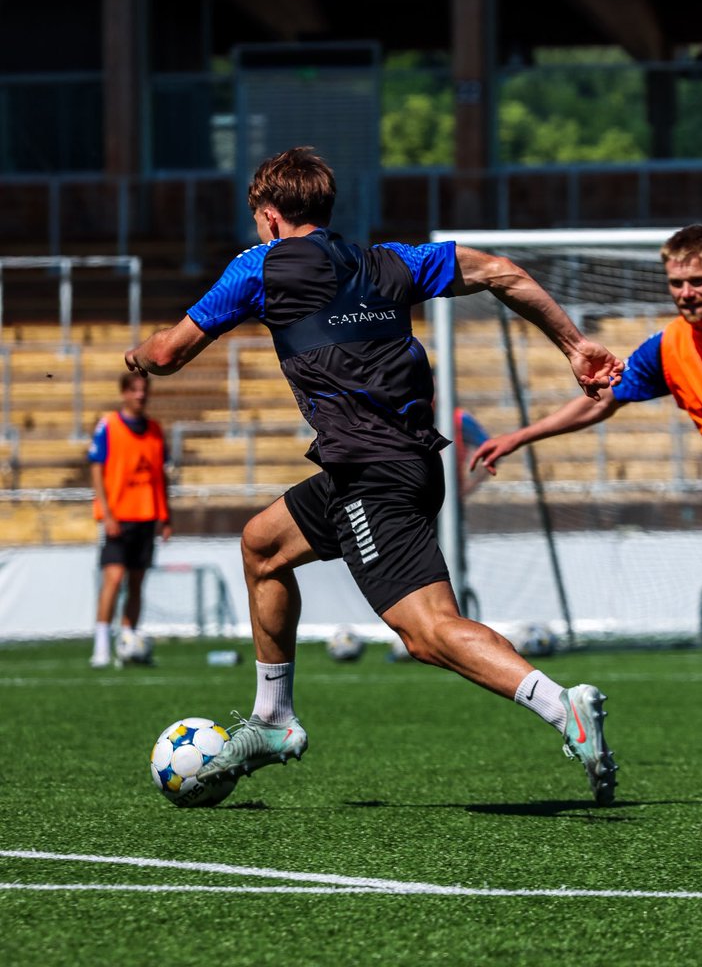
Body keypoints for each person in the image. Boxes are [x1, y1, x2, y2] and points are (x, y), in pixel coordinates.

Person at [123, 146, 624, 804]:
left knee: (426, 630)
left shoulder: (261, 266)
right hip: (397, 462)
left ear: (269, 217)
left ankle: (563, 706)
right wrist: (572, 344)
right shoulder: (389, 262)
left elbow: (170, 352)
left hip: (371, 474)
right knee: (264, 546)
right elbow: (501, 272)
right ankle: (273, 718)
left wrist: (137, 354)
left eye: (258, 221)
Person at [471, 223, 702, 765]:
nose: (686, 293)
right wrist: (521, 435)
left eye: (697, 281)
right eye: (676, 283)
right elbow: (603, 400)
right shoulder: (670, 346)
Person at [87, 373, 172, 667]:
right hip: (118, 516)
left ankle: (127, 643)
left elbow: (162, 475)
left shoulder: (156, 430)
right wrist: (106, 513)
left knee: (137, 581)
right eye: (134, 390)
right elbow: (96, 469)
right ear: (124, 393)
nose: (140, 395)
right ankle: (100, 647)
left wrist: (166, 515)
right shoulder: (108, 425)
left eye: (143, 390)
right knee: (114, 578)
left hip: (147, 515)